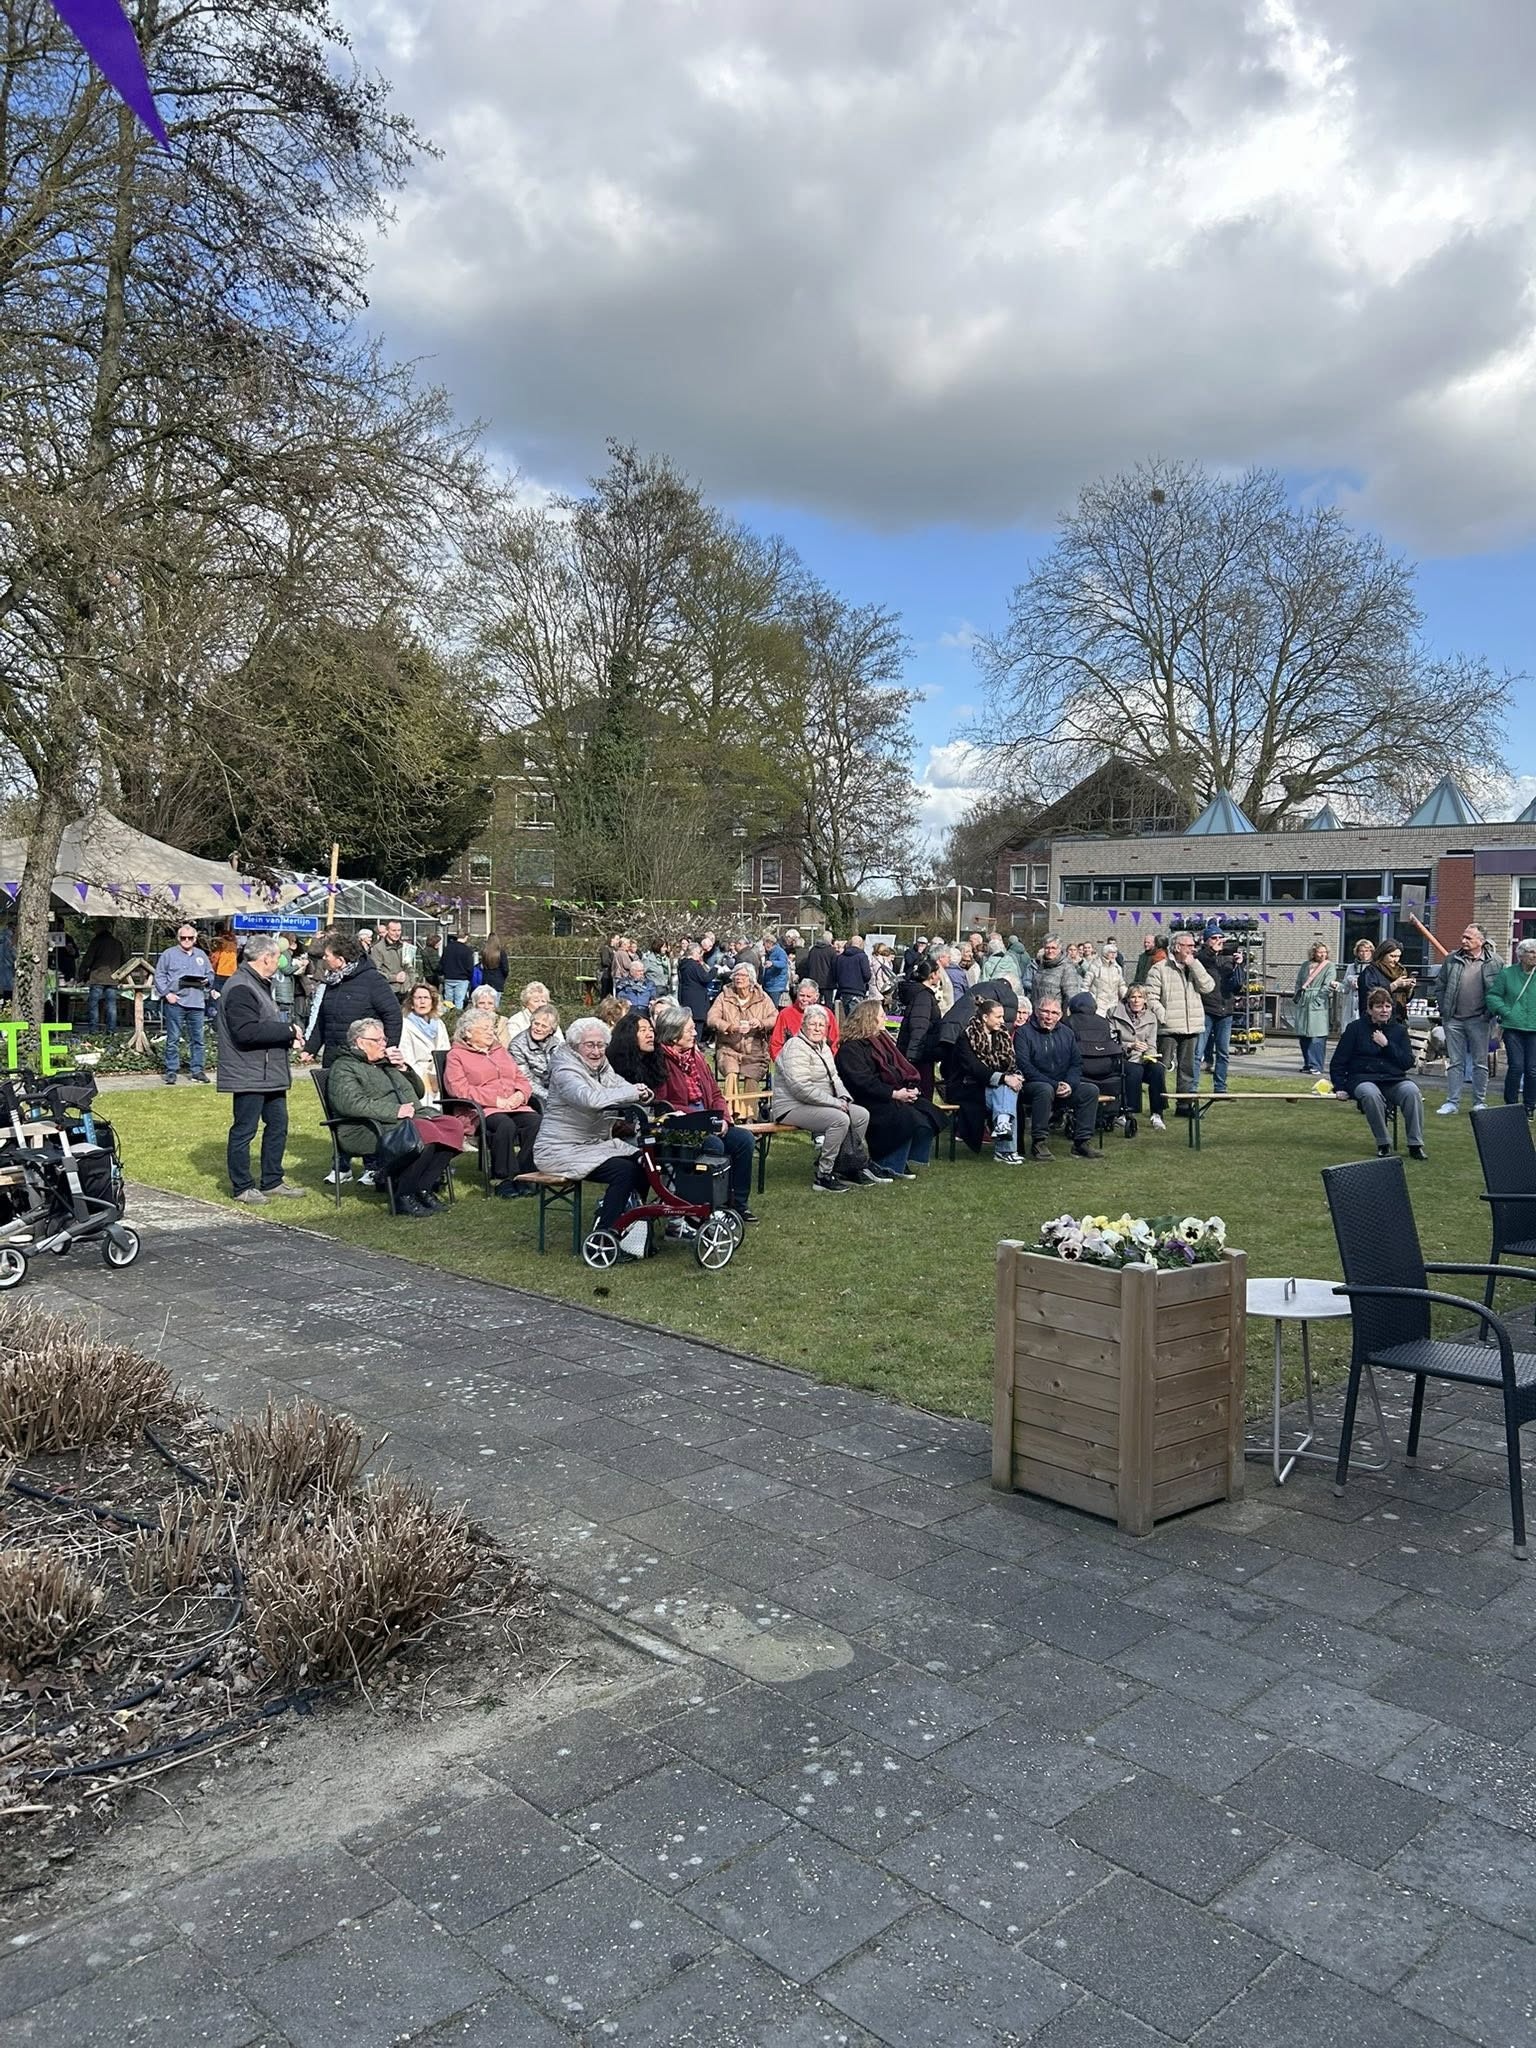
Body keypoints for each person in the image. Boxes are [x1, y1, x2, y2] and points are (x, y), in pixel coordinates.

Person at [326, 1017, 468, 1215]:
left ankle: (424, 1187)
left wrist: (403, 1068)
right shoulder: (344, 1067)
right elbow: (351, 1104)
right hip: (364, 1128)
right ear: (360, 1042)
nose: (384, 1044)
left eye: (384, 1039)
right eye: (378, 1040)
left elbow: (418, 1092)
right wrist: (395, 1111)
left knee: (452, 1126)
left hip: (404, 1119)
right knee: (425, 1131)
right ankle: (404, 1195)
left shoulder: (384, 1064)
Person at [534, 1018, 651, 1237]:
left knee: (645, 1162)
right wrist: (632, 1092)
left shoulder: (602, 1066)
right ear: (574, 1045)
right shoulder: (564, 1070)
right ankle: (605, 1231)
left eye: (600, 1045)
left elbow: (621, 1086)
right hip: (558, 1150)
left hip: (593, 1145)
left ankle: (634, 1226)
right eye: (590, 1045)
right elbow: (589, 1099)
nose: (596, 1051)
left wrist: (643, 1092)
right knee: (624, 1171)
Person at [216, 934, 305, 1205]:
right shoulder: (241, 987)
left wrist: (286, 1036)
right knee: (245, 1130)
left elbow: (262, 1024)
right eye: (277, 958)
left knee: (278, 1125)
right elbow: (245, 1032)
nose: (279, 963)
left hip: (269, 1072)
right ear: (266, 958)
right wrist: (288, 1030)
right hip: (249, 1072)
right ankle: (242, 1187)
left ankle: (272, 1181)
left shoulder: (258, 984)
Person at [650, 1005, 758, 1222]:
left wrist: (723, 1119)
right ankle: (705, 1208)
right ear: (674, 1034)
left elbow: (716, 1093)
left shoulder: (696, 1057)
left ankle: (737, 1204)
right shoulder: (659, 1061)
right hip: (681, 1128)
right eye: (689, 1030)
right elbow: (663, 1104)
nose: (695, 1033)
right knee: (714, 1145)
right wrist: (703, 1121)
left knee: (744, 1140)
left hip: (710, 1120)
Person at [771, 1004, 882, 1192]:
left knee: (861, 1115)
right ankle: (823, 1175)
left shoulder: (824, 1046)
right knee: (839, 1120)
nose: (817, 1029)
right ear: (803, 1025)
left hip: (820, 1103)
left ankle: (846, 1166)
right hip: (791, 1107)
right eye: (812, 1024)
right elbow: (801, 1088)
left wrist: (844, 1098)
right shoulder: (795, 1046)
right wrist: (834, 1103)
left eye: (821, 1025)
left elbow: (835, 1077)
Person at [835, 998, 941, 1176]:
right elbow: (862, 1082)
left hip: (888, 1093)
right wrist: (894, 1094)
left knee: (927, 1111)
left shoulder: (881, 1042)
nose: (885, 1018)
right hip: (867, 1098)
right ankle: (888, 1162)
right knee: (905, 1116)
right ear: (870, 1019)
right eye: (882, 1016)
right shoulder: (851, 1049)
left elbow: (897, 1069)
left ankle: (903, 1158)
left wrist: (909, 1089)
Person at [444, 1009, 541, 1197]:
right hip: (480, 1110)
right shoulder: (456, 1055)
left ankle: (525, 1174)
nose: (491, 1032)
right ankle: (502, 1178)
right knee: (504, 1125)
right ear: (468, 1032)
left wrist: (520, 1095)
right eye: (485, 1029)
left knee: (535, 1122)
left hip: (513, 1105)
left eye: (492, 1028)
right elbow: (458, 1089)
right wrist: (495, 1100)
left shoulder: (500, 1051)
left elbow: (521, 1078)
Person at [1331, 985, 1427, 1159]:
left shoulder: (1399, 1030)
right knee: (1370, 1094)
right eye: (1379, 1006)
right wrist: (1339, 1087)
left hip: (1393, 1079)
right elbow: (1338, 1062)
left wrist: (1387, 1045)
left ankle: (1415, 1144)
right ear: (1369, 1010)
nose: (1384, 1010)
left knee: (1412, 1091)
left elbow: (1407, 1062)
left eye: (1388, 1006)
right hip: (1363, 1079)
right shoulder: (1355, 1029)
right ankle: (1383, 1143)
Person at [1014, 995, 1105, 1163]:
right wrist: (1054, 1085)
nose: (1049, 1017)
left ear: (1061, 1015)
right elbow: (1024, 1066)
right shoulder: (1023, 1033)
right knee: (1044, 1089)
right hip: (1032, 1085)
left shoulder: (1067, 1033)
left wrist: (1070, 1084)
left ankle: (1081, 1142)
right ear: (1036, 1012)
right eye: (1045, 1012)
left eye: (1054, 1013)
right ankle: (1039, 1142)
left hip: (1063, 1086)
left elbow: (1076, 1064)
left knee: (1090, 1090)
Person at [1431, 922, 1501, 1115]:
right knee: (1455, 1062)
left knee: (1480, 1062)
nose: (1463, 940)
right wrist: (1444, 1008)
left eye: (1468, 938)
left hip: (1480, 1019)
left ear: (1481, 941)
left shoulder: (1495, 962)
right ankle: (1452, 1103)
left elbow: (1499, 990)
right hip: (1453, 1019)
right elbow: (1440, 984)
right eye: (1463, 936)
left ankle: (1479, 1102)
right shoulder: (1452, 959)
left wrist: (1489, 1013)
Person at [305, 931, 402, 1068]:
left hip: (362, 1060)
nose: (324, 958)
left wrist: (388, 1047)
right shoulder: (333, 981)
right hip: (333, 1057)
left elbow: (393, 1015)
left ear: (340, 960)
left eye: (327, 955)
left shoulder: (372, 980)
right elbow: (323, 1019)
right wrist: (310, 1049)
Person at [946, 996, 1024, 1164]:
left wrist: (1014, 1075)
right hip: (967, 1087)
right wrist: (1004, 1078)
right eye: (998, 1016)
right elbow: (974, 1068)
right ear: (985, 1017)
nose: (1002, 1021)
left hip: (992, 1087)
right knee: (1006, 1087)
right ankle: (1005, 1150)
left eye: (1003, 1017)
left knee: (1008, 1088)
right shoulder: (966, 1037)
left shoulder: (1002, 1035)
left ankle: (1003, 1126)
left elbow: (1008, 1065)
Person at [1145, 931, 1215, 1109]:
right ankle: (1159, 1105)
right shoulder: (1160, 968)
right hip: (1168, 1027)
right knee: (1161, 1067)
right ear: (1177, 947)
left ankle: (1184, 1105)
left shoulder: (1194, 966)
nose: (1193, 949)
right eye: (1188, 946)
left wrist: (1195, 965)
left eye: (1193, 945)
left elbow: (1208, 987)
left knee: (1187, 1068)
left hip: (1191, 1026)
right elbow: (1150, 997)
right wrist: (1164, 1016)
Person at [154, 922, 216, 1084]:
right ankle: (171, 1071)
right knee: (173, 1038)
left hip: (197, 1002)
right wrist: (167, 994)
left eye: (189, 938)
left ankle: (197, 1071)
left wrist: (207, 981)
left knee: (198, 1040)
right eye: (183, 938)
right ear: (178, 938)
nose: (186, 940)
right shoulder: (168, 954)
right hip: (176, 1002)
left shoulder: (201, 955)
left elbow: (210, 974)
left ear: (195, 939)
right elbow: (159, 975)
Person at [707, 963, 778, 1095]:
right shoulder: (724, 996)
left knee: (751, 1077)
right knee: (731, 1074)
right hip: (728, 1048)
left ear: (751, 979)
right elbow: (712, 1018)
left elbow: (775, 1017)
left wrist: (761, 1023)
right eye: (736, 975)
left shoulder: (762, 997)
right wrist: (730, 1027)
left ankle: (749, 1109)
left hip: (755, 1050)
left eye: (742, 975)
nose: (738, 978)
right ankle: (730, 1107)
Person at [1488, 937, 1536, 1117]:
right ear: (1521, 955)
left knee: (1532, 1069)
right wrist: (1505, 1011)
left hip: (1534, 1028)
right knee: (1516, 1067)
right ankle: (1511, 1106)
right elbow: (1493, 996)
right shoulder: (1507, 974)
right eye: (1531, 952)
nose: (1535, 955)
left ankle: (1529, 1107)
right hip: (1512, 1027)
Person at [1066, 990, 1128, 1131]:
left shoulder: (1069, 1022)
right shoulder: (1103, 1023)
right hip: (1106, 1069)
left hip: (1082, 1070)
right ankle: (1109, 1114)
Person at [1109, 985, 1167, 1129]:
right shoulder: (1113, 1013)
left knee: (1158, 1069)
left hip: (1142, 1059)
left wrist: (1149, 1055)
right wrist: (1129, 1046)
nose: (1136, 1000)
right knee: (1135, 1070)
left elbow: (1152, 1044)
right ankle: (1127, 1113)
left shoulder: (1151, 1017)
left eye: (1140, 997)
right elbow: (1110, 1042)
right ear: (1127, 999)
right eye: (1133, 997)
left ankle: (1157, 1113)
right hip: (1121, 1059)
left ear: (1145, 1000)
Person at [1195, 925, 1243, 1095]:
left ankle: (1220, 1087)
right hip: (1207, 1008)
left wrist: (1239, 966)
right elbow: (1203, 961)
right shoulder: (1201, 957)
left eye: (1220, 938)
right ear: (1206, 941)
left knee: (1223, 1052)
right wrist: (1212, 951)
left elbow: (1237, 986)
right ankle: (1192, 1088)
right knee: (1198, 1052)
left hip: (1225, 1010)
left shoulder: (1228, 958)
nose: (1218, 941)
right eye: (1213, 938)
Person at [895, 955, 945, 1097]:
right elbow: (919, 1026)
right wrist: (912, 1058)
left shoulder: (921, 994)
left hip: (920, 1053)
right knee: (922, 1094)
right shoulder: (923, 996)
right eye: (938, 972)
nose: (940, 976)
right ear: (932, 975)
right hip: (920, 1055)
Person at [1292, 941, 1337, 1077]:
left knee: (1317, 1036)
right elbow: (1299, 982)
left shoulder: (1329, 966)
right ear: (1313, 953)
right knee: (1303, 1035)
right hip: (1304, 1001)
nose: (1322, 955)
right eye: (1319, 952)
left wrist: (1319, 999)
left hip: (1317, 1001)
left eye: (1324, 952)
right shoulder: (1305, 965)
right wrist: (1298, 994)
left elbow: (1328, 985)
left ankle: (1316, 1065)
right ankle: (1308, 1063)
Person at [400, 983, 451, 1103]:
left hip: (438, 1073)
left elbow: (445, 1049)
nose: (422, 1002)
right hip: (418, 1075)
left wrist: (437, 1072)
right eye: (418, 998)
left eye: (426, 998)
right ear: (412, 1003)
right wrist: (423, 1076)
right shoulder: (405, 1024)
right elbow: (406, 1056)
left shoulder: (439, 1024)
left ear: (432, 1002)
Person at [769, 977, 841, 1059]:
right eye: (802, 995)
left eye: (808, 996)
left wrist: (831, 1061)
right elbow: (776, 1044)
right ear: (797, 994)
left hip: (820, 1060)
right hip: (792, 1060)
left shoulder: (826, 1013)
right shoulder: (785, 1014)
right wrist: (781, 1062)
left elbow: (835, 1042)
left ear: (816, 997)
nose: (804, 999)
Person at [508, 1002, 561, 1107]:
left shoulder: (556, 1043)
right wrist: (551, 1097)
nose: (538, 1029)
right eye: (536, 1024)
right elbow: (526, 1081)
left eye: (544, 1026)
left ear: (551, 1031)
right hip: (533, 1095)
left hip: (555, 1090)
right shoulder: (517, 1046)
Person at [608, 1008, 668, 1092]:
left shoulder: (658, 1063)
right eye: (643, 1030)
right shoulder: (612, 1068)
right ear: (628, 1035)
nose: (650, 1035)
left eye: (651, 1030)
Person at [80, 924, 125, 1034]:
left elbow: (88, 959)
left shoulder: (96, 942)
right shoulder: (117, 943)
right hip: (113, 978)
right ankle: (111, 1030)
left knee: (94, 1005)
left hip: (97, 977)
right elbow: (123, 961)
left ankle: (93, 1030)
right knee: (111, 1006)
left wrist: (81, 975)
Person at [1357, 938, 1412, 1019]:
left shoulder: (1401, 970)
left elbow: (1405, 999)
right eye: (1392, 956)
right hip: (1376, 1018)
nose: (1396, 960)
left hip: (1399, 1016)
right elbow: (1369, 994)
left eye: (1398, 956)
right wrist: (1394, 985)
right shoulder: (1371, 971)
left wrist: (1409, 988)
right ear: (1383, 955)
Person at [831, 934, 873, 1016]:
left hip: (843, 991)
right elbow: (867, 975)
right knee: (856, 1017)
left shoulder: (840, 957)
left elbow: (835, 974)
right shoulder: (862, 957)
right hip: (857, 990)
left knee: (847, 1016)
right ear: (861, 944)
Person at [1082, 941, 1126, 1016]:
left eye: (1115, 953)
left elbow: (1121, 985)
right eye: (1111, 952)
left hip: (1113, 1004)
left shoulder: (1117, 968)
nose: (1113, 955)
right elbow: (1085, 985)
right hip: (1098, 1004)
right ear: (1105, 953)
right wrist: (1085, 1001)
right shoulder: (1095, 966)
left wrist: (1127, 997)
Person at [464, 982, 513, 1048]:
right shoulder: (467, 1021)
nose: (486, 1007)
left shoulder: (502, 1021)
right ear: (475, 1005)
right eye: (481, 1003)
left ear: (495, 1006)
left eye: (490, 1003)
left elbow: (505, 1045)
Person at [369, 919, 410, 996]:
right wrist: (394, 978)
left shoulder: (405, 947)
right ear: (387, 930)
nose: (397, 933)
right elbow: (375, 971)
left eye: (399, 930)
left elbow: (410, 968)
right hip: (388, 991)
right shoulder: (378, 948)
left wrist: (411, 984)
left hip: (405, 990)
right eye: (393, 930)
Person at [677, 943, 712, 1029]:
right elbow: (705, 978)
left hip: (686, 998)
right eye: (699, 953)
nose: (700, 955)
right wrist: (715, 970)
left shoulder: (683, 964)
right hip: (697, 1002)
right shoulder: (694, 965)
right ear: (694, 952)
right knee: (697, 1028)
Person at [439, 930, 475, 1011]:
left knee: (448, 1001)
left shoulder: (448, 948)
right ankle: (457, 1016)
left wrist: (442, 973)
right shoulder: (467, 950)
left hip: (448, 977)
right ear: (466, 937)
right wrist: (470, 977)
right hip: (462, 978)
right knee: (459, 1001)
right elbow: (469, 966)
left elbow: (442, 962)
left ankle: (447, 1016)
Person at [798, 933, 836, 1007]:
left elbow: (808, 964)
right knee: (828, 1004)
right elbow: (834, 967)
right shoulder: (831, 951)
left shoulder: (813, 950)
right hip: (828, 982)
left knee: (815, 1003)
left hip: (814, 980)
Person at [1032, 937, 1071, 1010]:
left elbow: (1070, 995)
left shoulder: (1067, 968)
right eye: (1047, 948)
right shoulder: (1041, 965)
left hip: (1054, 1012)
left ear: (1059, 949)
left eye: (1053, 948)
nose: (1050, 951)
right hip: (1038, 1010)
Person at [208, 924, 239, 996]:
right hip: (232, 974)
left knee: (216, 995)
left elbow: (215, 961)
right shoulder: (234, 950)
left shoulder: (220, 950)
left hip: (221, 973)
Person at [762, 932, 791, 1006]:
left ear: (769, 943)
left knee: (773, 1007)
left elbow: (783, 963)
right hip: (768, 984)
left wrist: (773, 963)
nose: (763, 946)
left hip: (776, 985)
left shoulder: (780, 952)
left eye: (764, 944)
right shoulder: (768, 953)